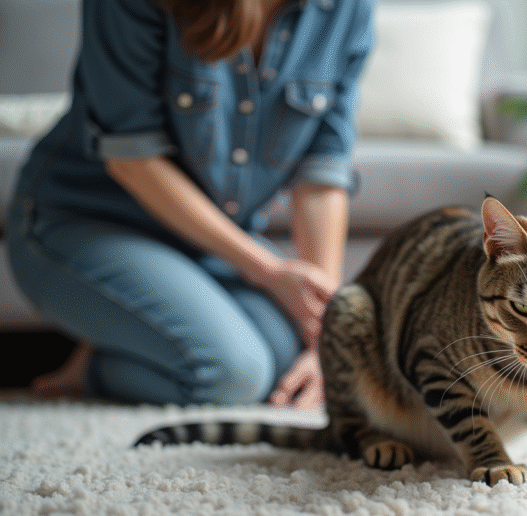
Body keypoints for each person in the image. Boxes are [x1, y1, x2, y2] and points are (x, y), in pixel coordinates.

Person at [6, 0, 373, 407]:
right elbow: (134, 160)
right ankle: (92, 370)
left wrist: (326, 336)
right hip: (84, 221)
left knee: (290, 358)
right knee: (232, 376)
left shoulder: (347, 8)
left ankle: (146, 333)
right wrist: (268, 270)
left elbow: (321, 172)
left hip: (213, 243)